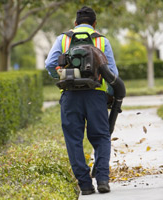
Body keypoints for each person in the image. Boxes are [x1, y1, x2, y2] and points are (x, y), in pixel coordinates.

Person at [45, 6, 119, 195]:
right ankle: (102, 179)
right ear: (95, 24)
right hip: (96, 95)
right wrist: (109, 95)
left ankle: (85, 185)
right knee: (101, 137)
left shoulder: (64, 39)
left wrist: (62, 75)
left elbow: (49, 64)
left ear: (75, 23)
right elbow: (113, 74)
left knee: (74, 140)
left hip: (70, 95)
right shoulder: (102, 41)